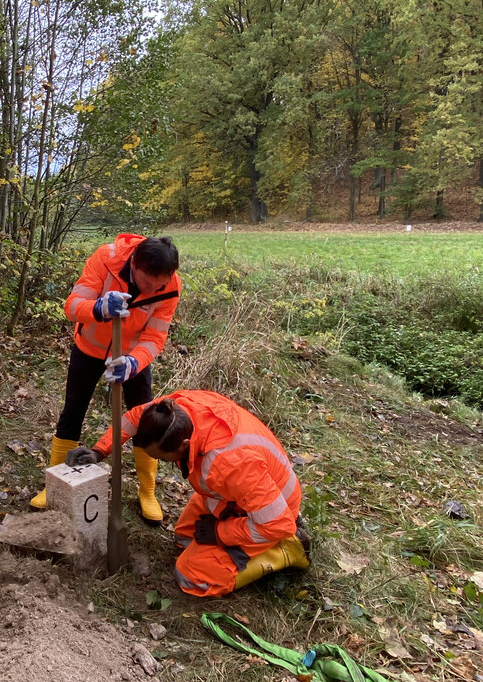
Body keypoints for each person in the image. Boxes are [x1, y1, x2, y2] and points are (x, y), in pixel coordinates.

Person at [67, 390, 310, 597]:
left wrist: (219, 533)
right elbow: (133, 419)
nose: (159, 462)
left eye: (161, 458)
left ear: (183, 446)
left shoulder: (229, 463)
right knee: (185, 537)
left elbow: (277, 524)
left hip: (272, 516)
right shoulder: (174, 410)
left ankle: (285, 552)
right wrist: (100, 451)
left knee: (191, 577)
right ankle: (228, 540)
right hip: (234, 495)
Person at [30, 234, 181, 525]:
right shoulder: (105, 259)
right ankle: (56, 482)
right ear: (135, 264)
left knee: (145, 418)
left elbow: (156, 335)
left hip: (131, 357)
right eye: (148, 283)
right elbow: (72, 305)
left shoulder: (171, 287)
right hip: (89, 348)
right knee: (73, 411)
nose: (153, 290)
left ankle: (147, 491)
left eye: (159, 285)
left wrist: (135, 362)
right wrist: (98, 308)